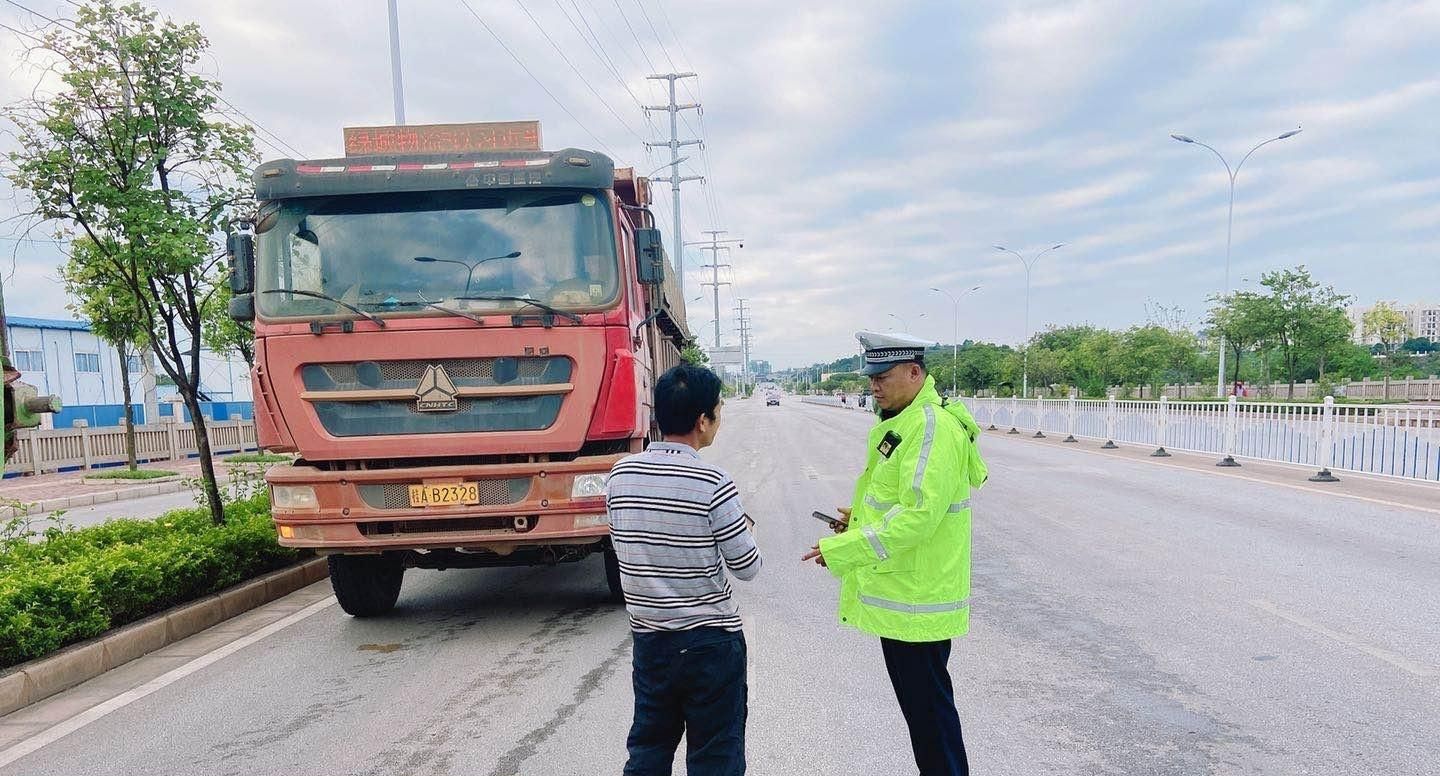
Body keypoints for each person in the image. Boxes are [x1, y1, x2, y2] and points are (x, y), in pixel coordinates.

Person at [802, 330, 987, 776]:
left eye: (883, 376)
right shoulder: (905, 423)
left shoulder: (930, 427)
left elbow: (918, 518)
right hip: (907, 597)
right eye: (871, 378)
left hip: (918, 600)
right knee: (925, 722)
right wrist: (857, 521)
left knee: (932, 723)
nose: (874, 386)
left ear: (914, 372)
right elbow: (901, 504)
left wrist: (845, 549)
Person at [606, 363, 762, 776]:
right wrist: (747, 528)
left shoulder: (620, 477)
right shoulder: (713, 482)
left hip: (651, 643)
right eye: (718, 412)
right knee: (715, 757)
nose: (719, 421)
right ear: (702, 421)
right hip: (710, 645)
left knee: (648, 750)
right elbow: (747, 567)